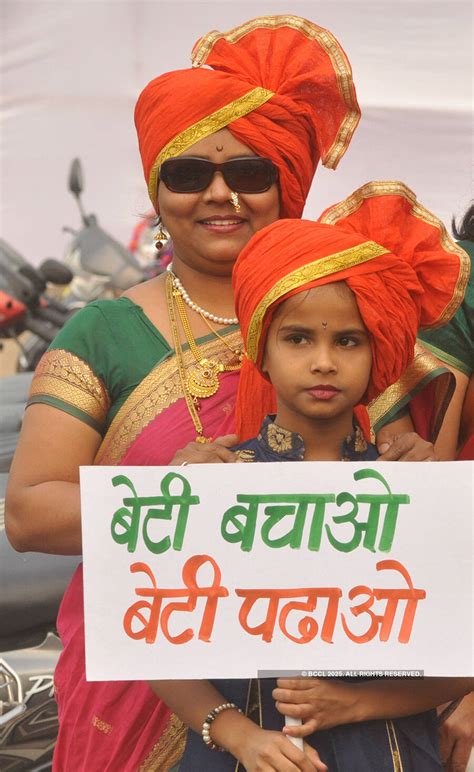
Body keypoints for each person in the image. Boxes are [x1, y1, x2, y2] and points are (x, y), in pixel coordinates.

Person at [5, 14, 451, 771]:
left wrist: (413, 468)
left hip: (342, 706)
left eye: (249, 173)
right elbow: (26, 513)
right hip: (151, 687)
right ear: (157, 187)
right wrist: (175, 499)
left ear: (288, 185)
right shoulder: (104, 334)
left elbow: (417, 532)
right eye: (188, 174)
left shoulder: (363, 325)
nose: (220, 194)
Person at [158, 185, 471, 771]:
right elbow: (150, 640)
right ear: (262, 351)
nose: (324, 361)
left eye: (347, 341)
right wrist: (238, 736)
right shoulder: (215, 483)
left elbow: (465, 658)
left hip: (390, 753)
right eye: (299, 338)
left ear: (379, 353)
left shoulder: (414, 488)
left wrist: (353, 702)